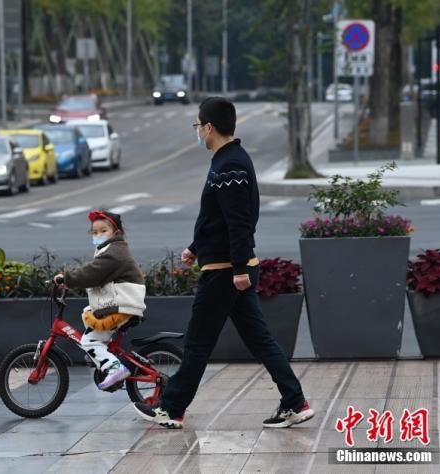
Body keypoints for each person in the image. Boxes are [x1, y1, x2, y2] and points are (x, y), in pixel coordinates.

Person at [133, 97, 313, 430]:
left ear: (209, 127)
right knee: (260, 340)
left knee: (198, 342)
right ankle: (294, 402)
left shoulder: (230, 165)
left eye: (198, 125)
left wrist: (241, 268)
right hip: (226, 266)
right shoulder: (228, 160)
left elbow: (240, 221)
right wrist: (196, 246)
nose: (198, 131)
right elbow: (216, 218)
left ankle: (171, 407)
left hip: (226, 273)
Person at [53, 210, 146, 390]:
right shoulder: (111, 249)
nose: (98, 235)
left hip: (122, 305)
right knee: (90, 314)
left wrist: (67, 278)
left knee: (89, 341)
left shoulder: (114, 252)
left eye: (103, 231)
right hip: (121, 302)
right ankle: (100, 356)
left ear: (116, 232)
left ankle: (114, 368)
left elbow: (92, 272)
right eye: (94, 232)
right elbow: (96, 273)